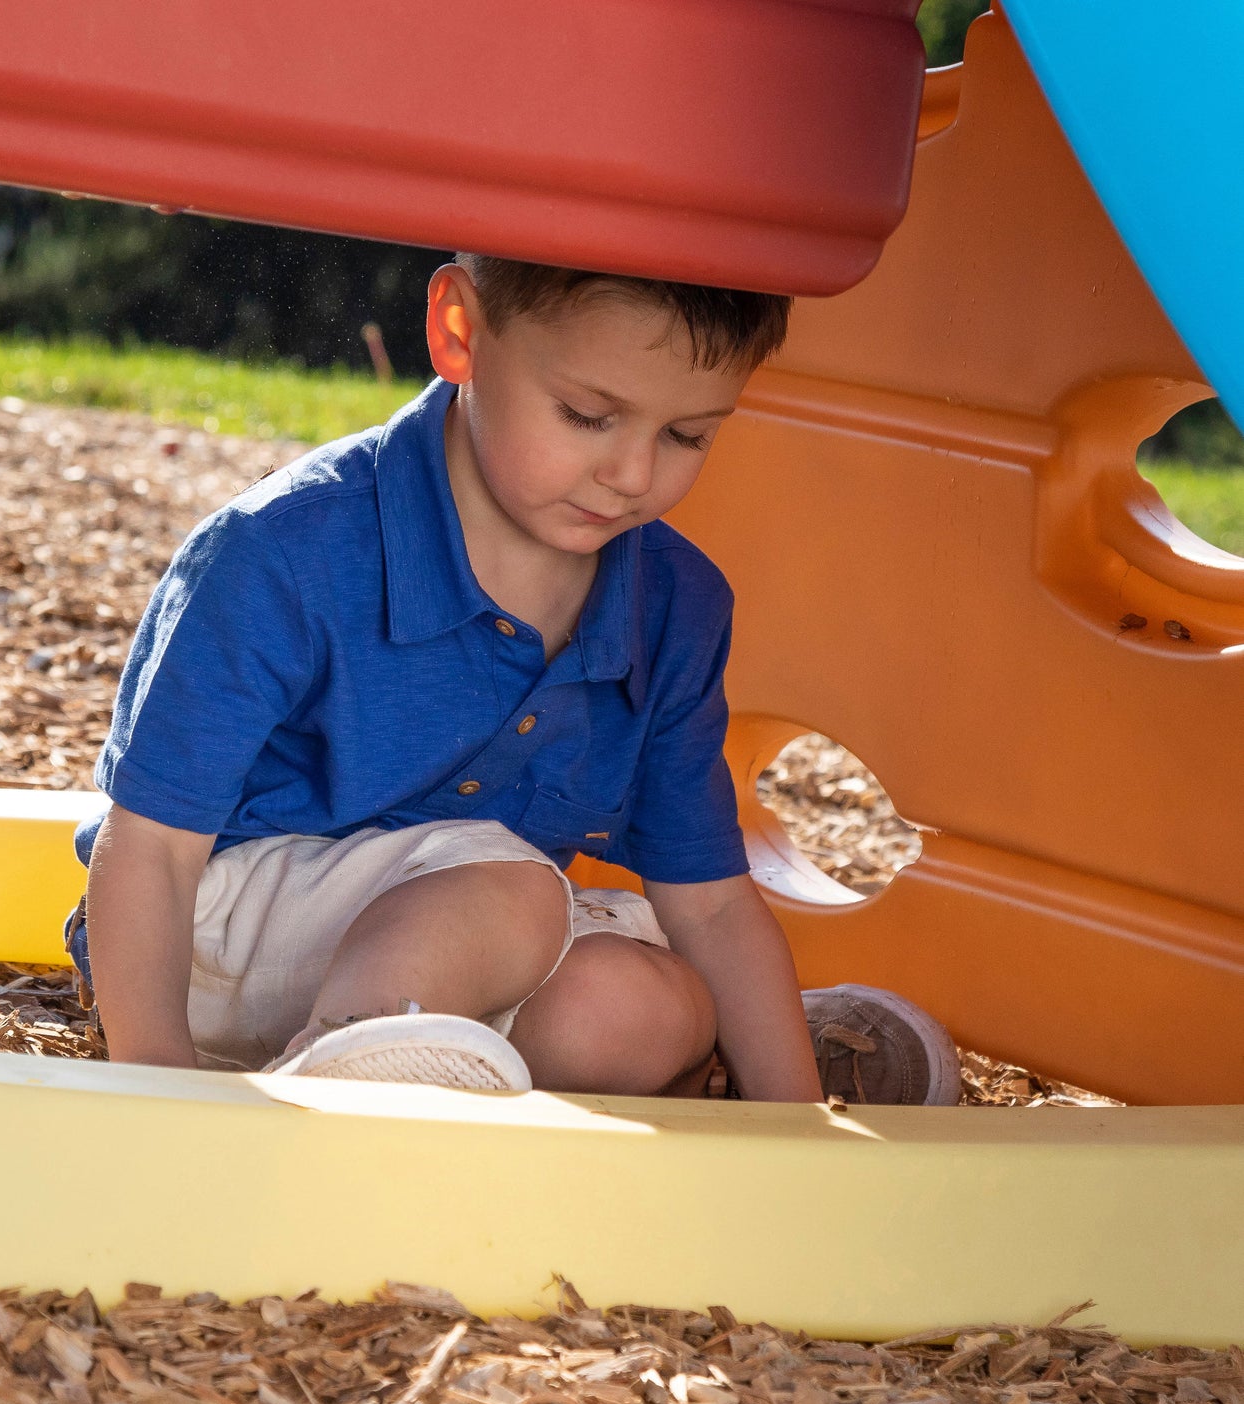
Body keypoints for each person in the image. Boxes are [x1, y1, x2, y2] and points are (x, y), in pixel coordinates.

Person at [64, 254, 961, 1105]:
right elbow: (152, 850)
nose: (632, 474)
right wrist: (161, 1093)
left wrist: (797, 1128)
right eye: (585, 415)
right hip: (209, 946)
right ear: (461, 331)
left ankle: (613, 1071)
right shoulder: (285, 553)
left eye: (686, 434)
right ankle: (335, 1103)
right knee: (518, 890)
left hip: (474, 942)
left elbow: (716, 905)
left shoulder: (673, 604)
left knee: (640, 1008)